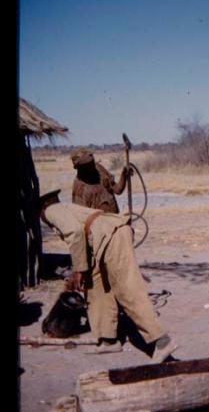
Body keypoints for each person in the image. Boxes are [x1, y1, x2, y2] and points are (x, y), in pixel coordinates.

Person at [38, 189, 178, 362]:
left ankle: (161, 340)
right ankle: (108, 339)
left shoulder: (50, 211)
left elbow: (74, 233)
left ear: (41, 207)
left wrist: (78, 270)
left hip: (112, 236)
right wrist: (83, 272)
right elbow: (82, 235)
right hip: (102, 240)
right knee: (95, 286)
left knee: (127, 289)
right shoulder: (65, 208)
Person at [71, 148, 132, 213]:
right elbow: (82, 218)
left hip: (115, 220)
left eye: (92, 161)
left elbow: (118, 190)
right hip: (99, 223)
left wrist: (124, 174)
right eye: (88, 165)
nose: (92, 165)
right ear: (79, 168)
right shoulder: (79, 188)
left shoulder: (99, 169)